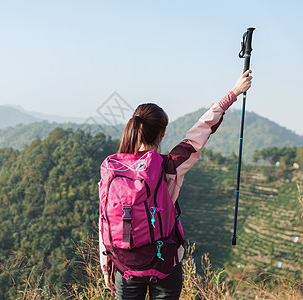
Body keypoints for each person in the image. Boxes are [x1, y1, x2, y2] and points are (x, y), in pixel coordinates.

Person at [99, 70, 253, 299]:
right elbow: (200, 131)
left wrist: (107, 268)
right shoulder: (168, 167)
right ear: (163, 134)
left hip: (126, 268)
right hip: (164, 266)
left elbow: (104, 220)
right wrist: (233, 93)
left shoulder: (112, 168)